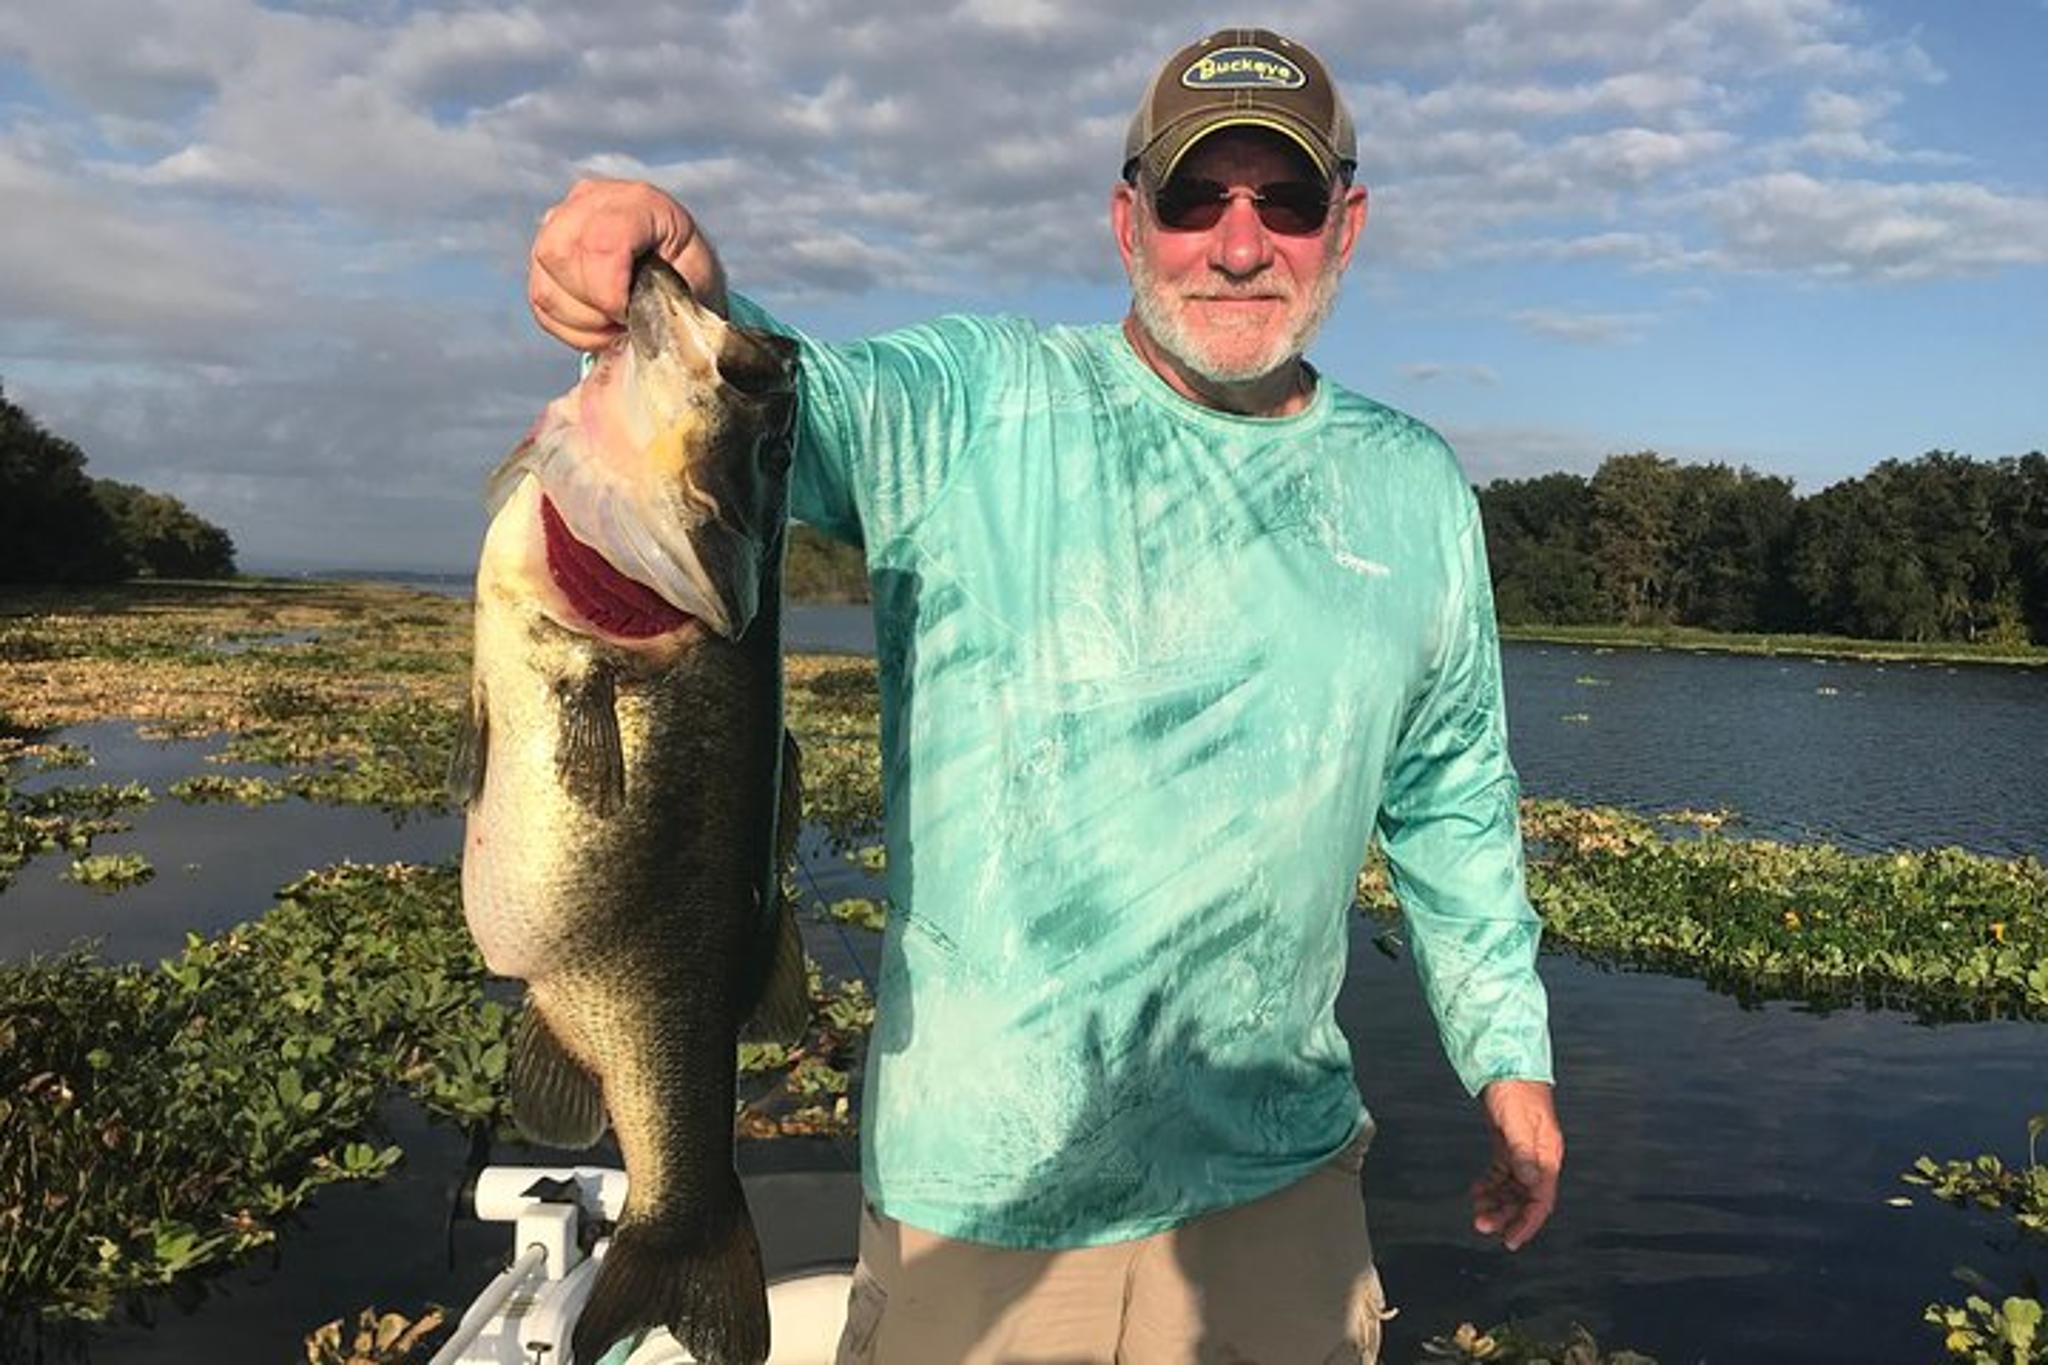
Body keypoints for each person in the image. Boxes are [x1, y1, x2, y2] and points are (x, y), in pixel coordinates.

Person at [529, 27, 1562, 1365]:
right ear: (1125, 218)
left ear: (1345, 225)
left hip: (1280, 1194)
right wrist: (679, 274)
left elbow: (1452, 795)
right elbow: (775, 403)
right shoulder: (977, 402)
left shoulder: (1416, 489)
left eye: (1285, 201)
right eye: (1195, 197)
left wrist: (1509, 1051)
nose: (1238, 243)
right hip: (981, 1202)